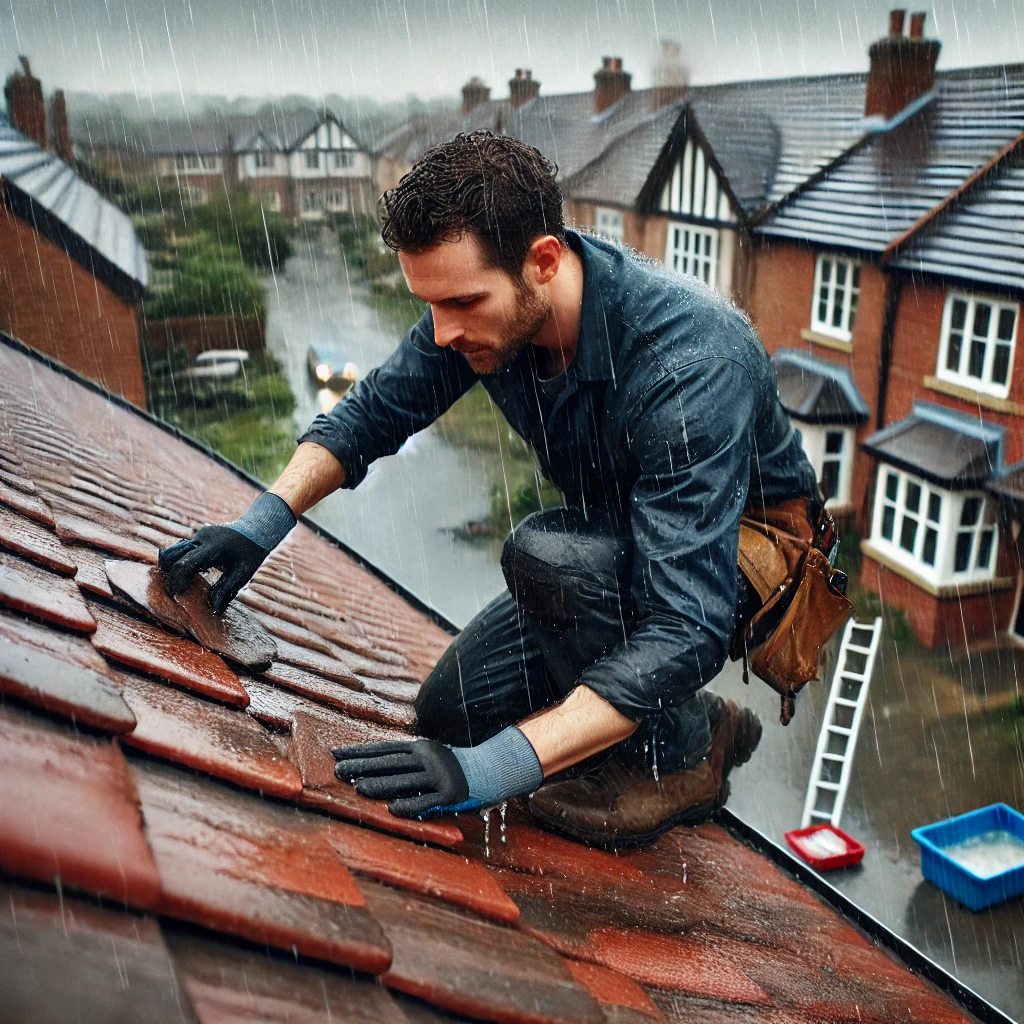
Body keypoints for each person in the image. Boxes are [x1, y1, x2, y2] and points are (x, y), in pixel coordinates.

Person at [159, 130, 821, 849]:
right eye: (430, 305)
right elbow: (375, 410)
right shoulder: (489, 317)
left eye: (463, 302)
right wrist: (262, 521)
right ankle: (669, 716)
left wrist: (494, 770)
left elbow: (687, 622)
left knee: (545, 560)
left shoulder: (688, 360)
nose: (442, 334)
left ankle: (685, 754)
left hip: (731, 557)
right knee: (453, 717)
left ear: (543, 261)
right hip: (616, 538)